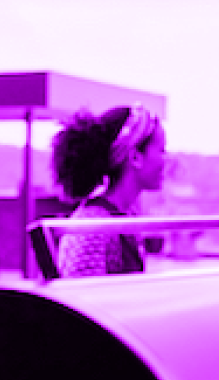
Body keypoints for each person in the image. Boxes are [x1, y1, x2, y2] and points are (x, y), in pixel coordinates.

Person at [51, 105, 167, 277]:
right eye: (161, 150)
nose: (166, 160)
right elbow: (80, 297)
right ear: (135, 157)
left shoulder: (123, 217)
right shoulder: (93, 228)